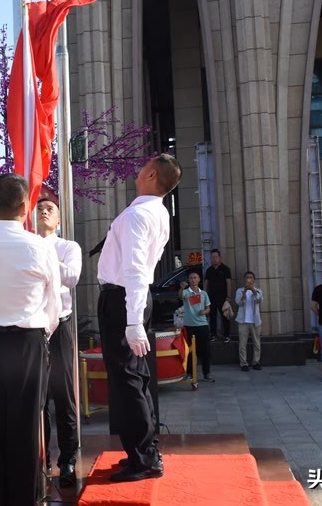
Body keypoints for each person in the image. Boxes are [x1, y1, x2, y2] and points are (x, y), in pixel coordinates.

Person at [0, 173, 62, 505]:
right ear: (25, 206)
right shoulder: (39, 247)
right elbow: (53, 306)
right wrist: (43, 336)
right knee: (26, 429)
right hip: (27, 345)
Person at [97, 153, 182, 482]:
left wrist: (133, 321)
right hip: (129, 298)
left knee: (128, 379)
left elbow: (134, 269)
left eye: (146, 165)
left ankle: (145, 457)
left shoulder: (139, 215)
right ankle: (142, 449)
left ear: (150, 175)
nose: (140, 167)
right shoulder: (156, 212)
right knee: (135, 377)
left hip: (123, 299)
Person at [36, 197, 82, 487]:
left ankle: (67, 461)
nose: (43, 211)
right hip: (33, 329)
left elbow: (72, 277)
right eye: (39, 209)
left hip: (60, 328)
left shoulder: (68, 247)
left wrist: (45, 255)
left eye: (49, 209)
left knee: (64, 396)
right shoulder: (25, 243)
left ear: (59, 220)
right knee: (37, 400)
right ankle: (41, 460)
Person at [178, 270, 213, 382]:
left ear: (199, 280)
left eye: (195, 278)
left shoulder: (203, 293)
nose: (193, 279)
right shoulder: (186, 292)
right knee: (189, 350)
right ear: (188, 280)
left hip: (202, 325)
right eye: (191, 278)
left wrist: (205, 312)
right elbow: (180, 296)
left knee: (205, 350)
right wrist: (181, 288)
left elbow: (208, 308)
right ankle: (189, 373)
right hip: (189, 326)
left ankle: (206, 373)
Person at [235, 271, 263, 372]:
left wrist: (253, 291)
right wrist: (244, 293)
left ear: (254, 280)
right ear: (244, 279)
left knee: (257, 343)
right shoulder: (240, 290)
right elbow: (238, 302)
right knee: (242, 343)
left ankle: (256, 362)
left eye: (251, 277)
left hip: (255, 321)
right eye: (247, 277)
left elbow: (259, 300)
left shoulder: (258, 290)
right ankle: (243, 363)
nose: (249, 279)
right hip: (243, 321)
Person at [204, 249, 232, 342]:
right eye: (212, 257)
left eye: (216, 257)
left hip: (223, 297)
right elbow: (206, 284)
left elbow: (228, 283)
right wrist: (205, 297)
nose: (214, 259)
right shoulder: (209, 270)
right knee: (212, 317)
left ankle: (227, 335)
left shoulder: (225, 269)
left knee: (225, 316)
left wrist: (228, 297)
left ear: (219, 257)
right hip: (211, 298)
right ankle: (213, 335)